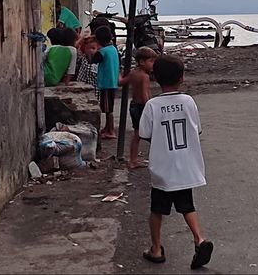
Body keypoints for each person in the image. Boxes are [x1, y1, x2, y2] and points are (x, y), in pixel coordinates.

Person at [138, 55, 213, 270]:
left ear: (155, 78)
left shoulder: (153, 105)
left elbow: (144, 132)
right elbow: (197, 129)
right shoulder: (188, 101)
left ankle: (156, 248)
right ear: (182, 78)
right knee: (187, 205)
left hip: (163, 167)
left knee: (157, 210)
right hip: (185, 165)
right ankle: (199, 239)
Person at [119, 46, 158, 169]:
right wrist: (151, 108)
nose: (152, 65)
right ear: (142, 62)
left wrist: (118, 71)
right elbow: (145, 94)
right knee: (152, 134)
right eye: (151, 61)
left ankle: (133, 159)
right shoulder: (144, 77)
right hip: (142, 106)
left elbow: (120, 82)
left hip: (134, 106)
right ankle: (157, 157)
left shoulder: (133, 73)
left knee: (137, 134)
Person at [91, 26, 120, 139]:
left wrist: (93, 49)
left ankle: (111, 130)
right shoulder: (113, 48)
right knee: (108, 108)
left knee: (108, 110)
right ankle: (107, 128)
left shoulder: (102, 52)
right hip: (112, 81)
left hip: (106, 83)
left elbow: (92, 60)